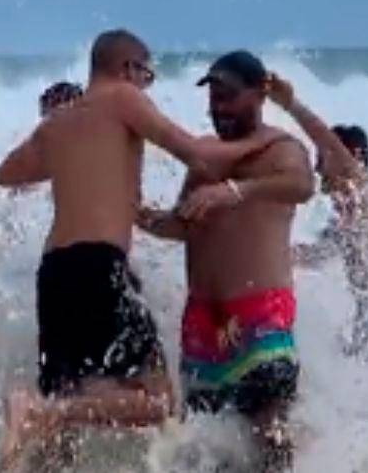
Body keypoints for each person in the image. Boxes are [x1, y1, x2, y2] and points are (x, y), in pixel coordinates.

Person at [0, 31, 272, 470]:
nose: (147, 86)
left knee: (69, 413)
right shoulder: (122, 97)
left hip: (54, 272)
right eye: (147, 76)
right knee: (157, 400)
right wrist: (266, 143)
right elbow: (197, 155)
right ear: (127, 69)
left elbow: (7, 173)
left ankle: (34, 427)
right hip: (98, 263)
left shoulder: (60, 123)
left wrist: (70, 142)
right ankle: (37, 410)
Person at [137, 51, 315, 472]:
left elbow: (302, 184)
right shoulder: (206, 158)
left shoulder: (280, 149)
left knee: (269, 428)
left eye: (229, 96)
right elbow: (182, 225)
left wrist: (235, 191)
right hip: (204, 323)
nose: (219, 107)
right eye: (213, 98)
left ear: (260, 94)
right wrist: (138, 215)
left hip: (260, 314)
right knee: (206, 441)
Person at [267, 74, 368, 357]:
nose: (317, 169)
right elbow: (317, 255)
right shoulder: (345, 220)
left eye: (322, 158)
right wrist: (271, 256)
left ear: (352, 156)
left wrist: (291, 104)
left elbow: (326, 140)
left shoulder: (366, 193)